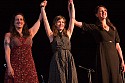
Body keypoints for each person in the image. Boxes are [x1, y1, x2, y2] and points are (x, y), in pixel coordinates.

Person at [74, 5, 125, 83]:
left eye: (105, 10)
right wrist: (71, 7)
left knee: (115, 77)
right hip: (103, 55)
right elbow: (75, 22)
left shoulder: (113, 29)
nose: (103, 12)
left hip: (114, 57)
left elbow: (117, 46)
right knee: (104, 77)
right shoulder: (95, 28)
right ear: (96, 15)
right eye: (101, 11)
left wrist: (122, 60)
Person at [40, 0, 78, 83]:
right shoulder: (51, 35)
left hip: (68, 59)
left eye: (63, 22)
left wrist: (72, 5)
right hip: (57, 60)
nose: (61, 24)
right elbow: (45, 21)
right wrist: (42, 8)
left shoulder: (68, 33)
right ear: (55, 23)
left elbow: (72, 19)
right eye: (59, 22)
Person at [4, 10, 42, 82]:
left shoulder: (29, 34)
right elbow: (7, 52)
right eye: (17, 20)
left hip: (29, 65)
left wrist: (42, 8)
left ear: (24, 22)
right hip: (15, 65)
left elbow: (39, 20)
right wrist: (9, 67)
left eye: (21, 19)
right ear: (14, 23)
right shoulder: (9, 35)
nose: (19, 21)